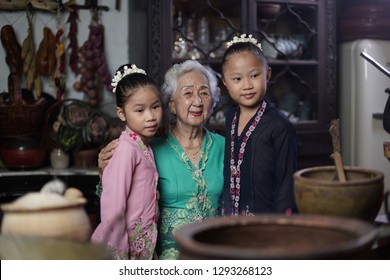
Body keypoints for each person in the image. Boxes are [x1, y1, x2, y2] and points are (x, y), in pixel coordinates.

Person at [97, 60, 225, 260]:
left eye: (204, 92)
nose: (198, 101)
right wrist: (103, 170)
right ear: (171, 105)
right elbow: (115, 203)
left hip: (215, 250)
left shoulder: (224, 147)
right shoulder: (149, 149)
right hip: (167, 255)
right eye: (188, 93)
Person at [219, 34, 298, 216]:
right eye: (237, 79)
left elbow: (287, 184)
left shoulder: (280, 126)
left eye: (254, 75)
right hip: (230, 220)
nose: (247, 85)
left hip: (265, 224)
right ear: (225, 81)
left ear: (267, 74)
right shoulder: (231, 117)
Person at [91, 64, 163, 260]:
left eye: (155, 107)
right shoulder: (124, 150)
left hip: (142, 246)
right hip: (121, 249)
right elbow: (113, 207)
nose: (150, 117)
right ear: (122, 113)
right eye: (140, 110)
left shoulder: (143, 146)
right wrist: (119, 257)